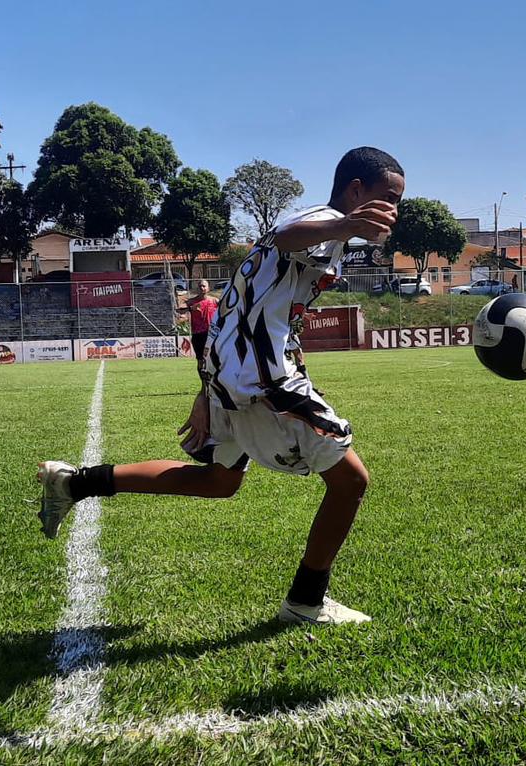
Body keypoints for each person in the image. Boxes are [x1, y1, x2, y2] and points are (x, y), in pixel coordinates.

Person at [37, 147, 405, 625]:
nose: (393, 211)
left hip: (235, 372)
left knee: (219, 482)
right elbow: (285, 236)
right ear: (355, 190)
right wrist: (342, 226)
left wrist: (206, 388)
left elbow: (236, 309)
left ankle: (75, 482)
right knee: (351, 480)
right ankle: (304, 602)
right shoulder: (323, 222)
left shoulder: (330, 236)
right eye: (387, 198)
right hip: (261, 377)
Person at [179, 279, 219, 375]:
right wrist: (190, 308)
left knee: (214, 360)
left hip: (212, 335)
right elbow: (179, 310)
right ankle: (203, 386)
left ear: (208, 288)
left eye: (204, 286)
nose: (202, 288)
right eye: (200, 286)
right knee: (201, 361)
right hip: (198, 335)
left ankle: (214, 385)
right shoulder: (192, 301)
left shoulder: (214, 301)